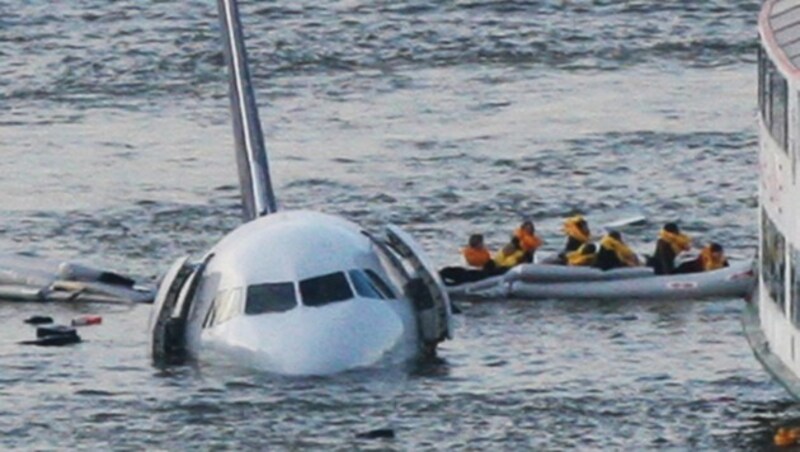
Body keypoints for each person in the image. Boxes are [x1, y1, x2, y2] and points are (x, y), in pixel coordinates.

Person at [439, 234, 504, 286]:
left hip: (478, 271)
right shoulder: (470, 252)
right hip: (473, 272)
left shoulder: (482, 251)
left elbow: (487, 261)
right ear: (478, 244)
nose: (483, 244)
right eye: (481, 242)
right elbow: (473, 263)